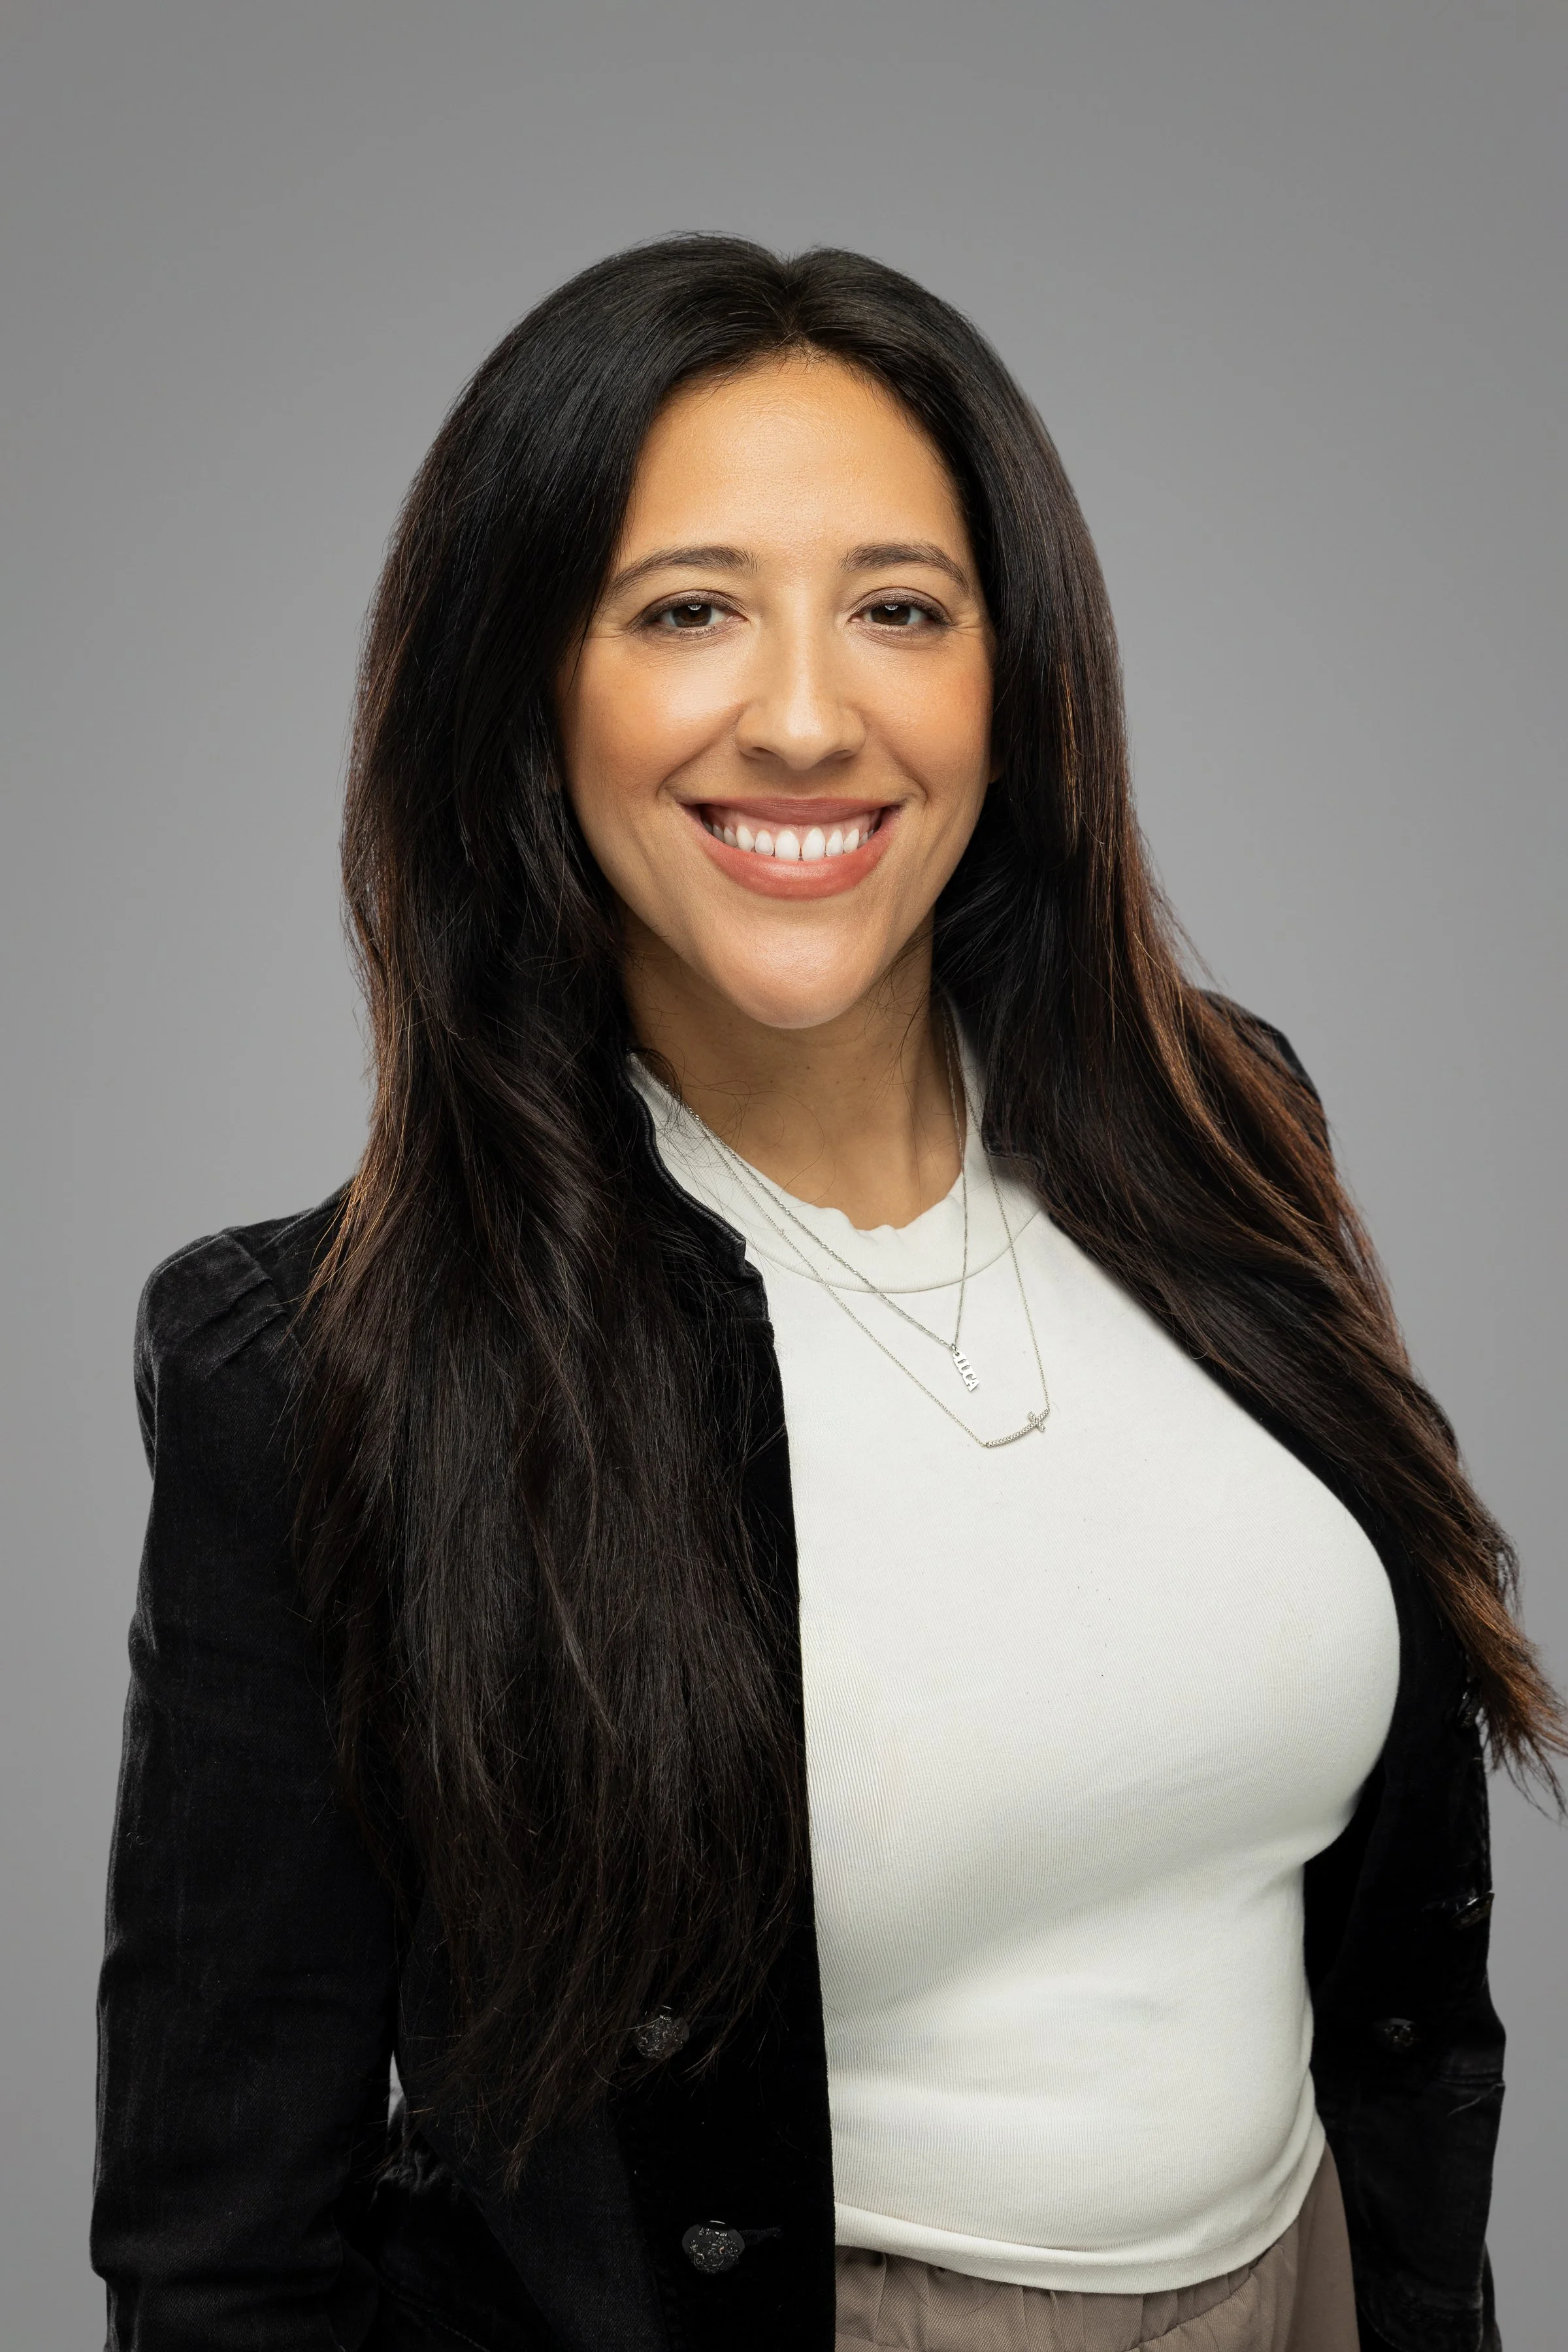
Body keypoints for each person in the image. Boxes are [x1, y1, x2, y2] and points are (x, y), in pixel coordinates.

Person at [92, 237, 1560, 2352]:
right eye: (687, 610)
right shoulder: (325, 1368)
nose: (805, 716)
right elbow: (226, 2254)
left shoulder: (1225, 1124)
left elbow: (1399, 1959)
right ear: (527, 686)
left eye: (901, 609)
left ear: (1013, 677)